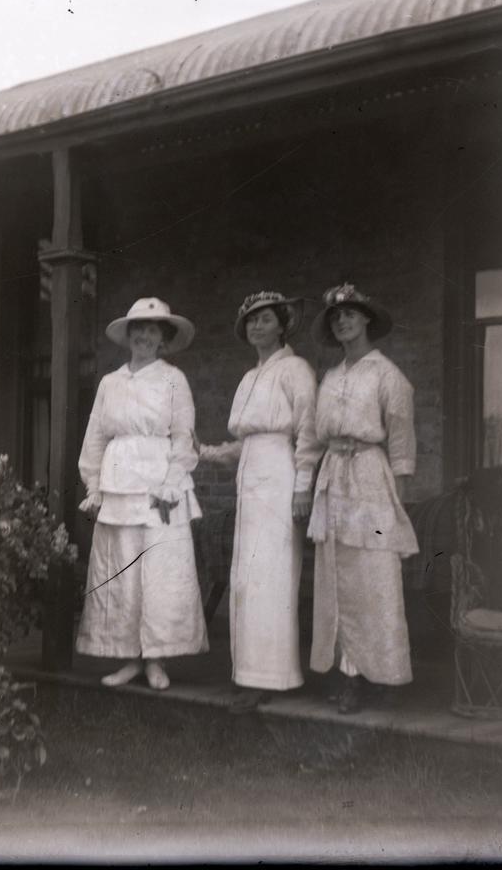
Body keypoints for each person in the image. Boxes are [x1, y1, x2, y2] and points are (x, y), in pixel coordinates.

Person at [75, 297, 208, 690]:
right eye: (138, 329)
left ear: (163, 338)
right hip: (119, 486)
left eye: (152, 330)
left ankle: (156, 660)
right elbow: (95, 436)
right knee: (123, 574)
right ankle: (130, 659)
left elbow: (184, 437)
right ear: (128, 335)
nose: (144, 336)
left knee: (160, 573)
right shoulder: (110, 383)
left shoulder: (173, 379)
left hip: (158, 487)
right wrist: (94, 485)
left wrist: (171, 482)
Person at [198, 291, 319, 713]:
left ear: (282, 324)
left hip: (280, 480)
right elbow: (245, 442)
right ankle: (249, 674)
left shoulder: (296, 369)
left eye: (264, 319)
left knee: (273, 577)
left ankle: (274, 678)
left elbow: (308, 433)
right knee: (248, 578)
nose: (256, 327)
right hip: (250, 480)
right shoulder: (249, 378)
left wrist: (303, 487)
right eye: (250, 321)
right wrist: (209, 452)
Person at [307, 283, 418, 714]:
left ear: (366, 319)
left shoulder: (388, 376)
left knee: (374, 577)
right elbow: (318, 434)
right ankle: (347, 672)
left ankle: (383, 676)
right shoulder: (332, 377)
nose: (342, 322)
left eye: (350, 315)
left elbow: (403, 444)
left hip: (372, 481)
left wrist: (398, 501)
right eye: (336, 318)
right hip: (334, 477)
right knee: (337, 576)